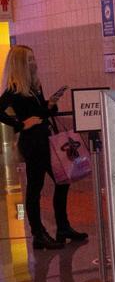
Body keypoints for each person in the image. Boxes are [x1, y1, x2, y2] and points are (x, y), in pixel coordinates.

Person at [0, 46, 87, 250]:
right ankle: (38, 233)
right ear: (20, 63)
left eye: (33, 58)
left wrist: (50, 105)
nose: (33, 62)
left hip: (45, 140)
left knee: (63, 180)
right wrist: (21, 124)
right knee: (35, 188)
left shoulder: (34, 86)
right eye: (29, 59)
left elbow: (41, 113)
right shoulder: (14, 89)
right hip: (32, 144)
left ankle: (63, 227)